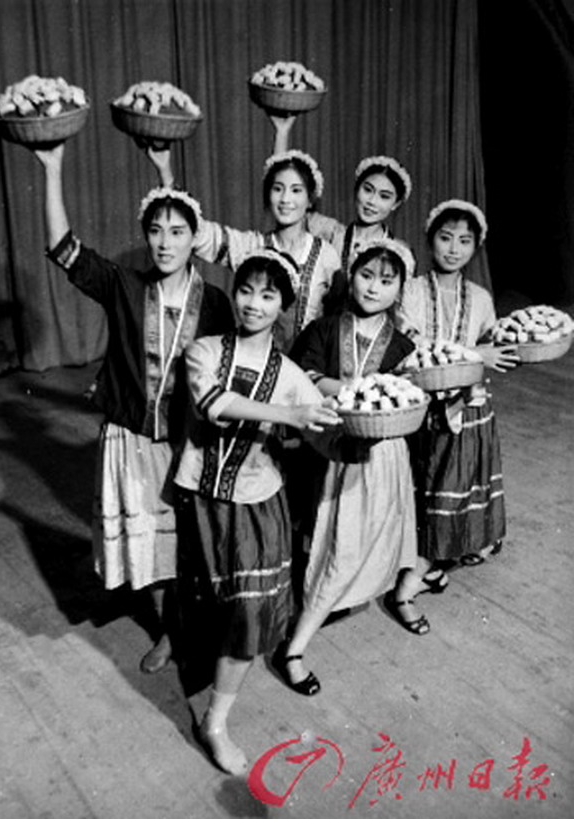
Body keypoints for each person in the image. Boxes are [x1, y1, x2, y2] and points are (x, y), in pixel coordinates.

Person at [34, 143, 234, 673]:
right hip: (130, 440)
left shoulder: (215, 303)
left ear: (195, 238)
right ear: (145, 236)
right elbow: (63, 249)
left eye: (178, 232)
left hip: (187, 443)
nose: (165, 243)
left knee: (189, 545)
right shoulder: (124, 285)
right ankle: (168, 631)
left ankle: (191, 625)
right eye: (156, 231)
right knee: (149, 546)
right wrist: (53, 168)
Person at [172, 250, 341, 775]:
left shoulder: (289, 374)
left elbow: (325, 430)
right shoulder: (202, 351)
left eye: (268, 295)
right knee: (204, 602)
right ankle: (171, 644)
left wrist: (356, 425)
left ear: (282, 306)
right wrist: (290, 414)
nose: (253, 303)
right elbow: (214, 405)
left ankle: (215, 722)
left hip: (258, 502)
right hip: (202, 497)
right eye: (246, 290)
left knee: (248, 615)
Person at [273, 239, 419, 694]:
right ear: (350, 276)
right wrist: (365, 389)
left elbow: (412, 397)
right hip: (331, 451)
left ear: (399, 290)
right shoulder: (323, 329)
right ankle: (294, 646)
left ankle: (376, 594)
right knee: (335, 546)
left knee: (378, 538)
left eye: (386, 281)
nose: (374, 288)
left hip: (384, 457)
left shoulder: (404, 345)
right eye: (366, 275)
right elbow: (303, 375)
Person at [388, 199, 519, 634]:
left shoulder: (480, 298)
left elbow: (493, 349)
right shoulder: (409, 290)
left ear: (475, 247)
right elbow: (411, 347)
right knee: (425, 493)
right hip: (421, 411)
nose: (453, 249)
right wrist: (474, 354)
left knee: (456, 490)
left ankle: (424, 570)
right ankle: (407, 584)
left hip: (469, 411)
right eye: (446, 238)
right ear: (430, 241)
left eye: (464, 241)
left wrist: (502, 352)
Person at [148, 135, 341, 352]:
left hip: (307, 366)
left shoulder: (327, 256)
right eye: (278, 189)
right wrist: (165, 172)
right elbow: (197, 232)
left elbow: (337, 322)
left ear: (310, 199)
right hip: (250, 361)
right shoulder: (252, 247)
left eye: (296, 190)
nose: (285, 199)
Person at [271, 114, 412, 278]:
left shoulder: (399, 251)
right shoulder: (329, 232)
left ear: (396, 203)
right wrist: (282, 133)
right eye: (368, 190)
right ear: (356, 189)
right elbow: (286, 194)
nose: (372, 201)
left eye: (384, 196)